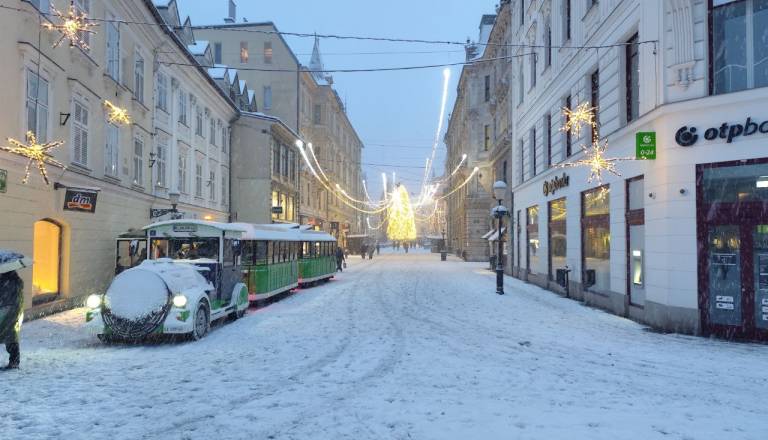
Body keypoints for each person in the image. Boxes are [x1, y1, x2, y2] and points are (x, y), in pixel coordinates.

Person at [0, 252, 28, 370]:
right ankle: (14, 361)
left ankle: (14, 362)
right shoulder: (15, 279)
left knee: (9, 336)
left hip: (8, 311)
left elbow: (4, 297)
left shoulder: (7, 281)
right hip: (13, 311)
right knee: (10, 336)